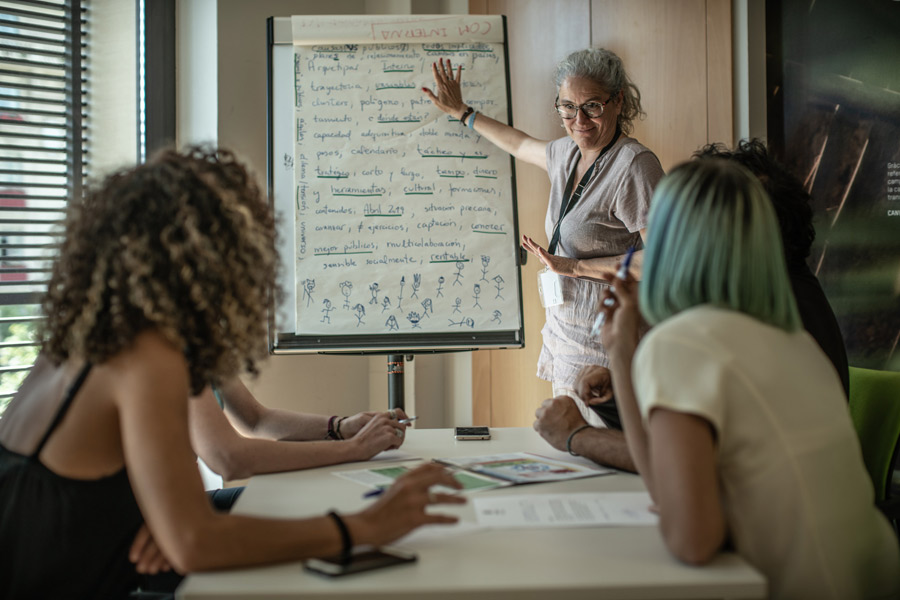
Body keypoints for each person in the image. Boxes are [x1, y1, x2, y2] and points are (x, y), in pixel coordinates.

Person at [0, 147, 464, 599]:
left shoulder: (87, 335)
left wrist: (154, 519)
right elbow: (198, 533)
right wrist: (366, 526)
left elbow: (78, 500)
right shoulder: (147, 355)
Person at [598, 159, 899, 598]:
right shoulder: (793, 339)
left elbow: (692, 541)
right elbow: (669, 494)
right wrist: (622, 353)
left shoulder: (682, 344)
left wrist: (626, 351)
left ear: (668, 246)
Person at [534, 139, 851, 472]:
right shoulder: (792, 301)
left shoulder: (730, 329)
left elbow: (680, 469)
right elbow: (689, 442)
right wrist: (618, 396)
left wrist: (576, 436)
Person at [423, 48, 664, 422]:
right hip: (566, 333)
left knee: (601, 454)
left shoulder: (633, 166)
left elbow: (661, 262)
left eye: (592, 106)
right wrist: (463, 114)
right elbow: (518, 144)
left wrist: (576, 267)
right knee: (571, 448)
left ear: (618, 101)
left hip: (610, 343)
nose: (578, 119)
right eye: (567, 107)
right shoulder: (567, 152)